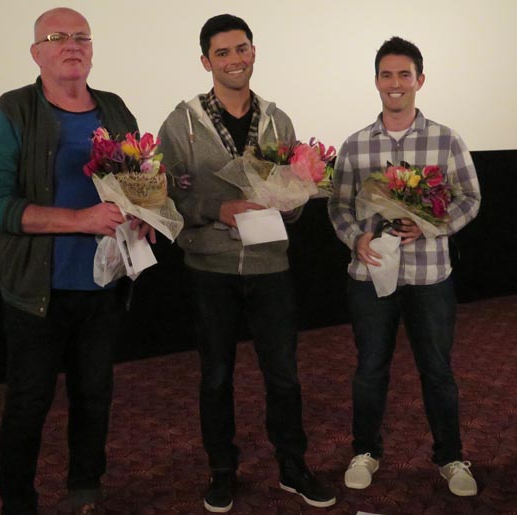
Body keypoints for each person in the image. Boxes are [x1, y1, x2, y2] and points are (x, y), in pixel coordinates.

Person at [0, 8, 149, 515]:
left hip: (105, 287)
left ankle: (85, 492)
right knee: (29, 404)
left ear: (91, 49)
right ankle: (18, 504)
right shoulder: (12, 110)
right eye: (57, 37)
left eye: (81, 37)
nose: (71, 45)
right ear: (37, 53)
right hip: (36, 293)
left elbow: (137, 187)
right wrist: (81, 219)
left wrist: (142, 217)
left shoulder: (115, 110)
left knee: (95, 396)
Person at [158, 14, 336, 513]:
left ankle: (292, 466)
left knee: (283, 374)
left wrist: (290, 201)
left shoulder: (279, 121)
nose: (235, 60)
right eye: (223, 53)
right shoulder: (180, 123)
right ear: (205, 62)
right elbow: (164, 198)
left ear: (254, 52)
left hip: (270, 267)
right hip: (209, 269)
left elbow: (298, 199)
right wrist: (217, 210)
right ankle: (222, 470)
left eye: (242, 49)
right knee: (216, 376)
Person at [328, 36, 481, 497]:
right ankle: (366, 451)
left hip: (430, 275)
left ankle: (451, 457)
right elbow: (338, 207)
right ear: (376, 81)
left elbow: (470, 199)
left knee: (437, 370)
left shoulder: (446, 139)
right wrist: (358, 237)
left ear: (420, 80)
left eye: (404, 75)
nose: (395, 84)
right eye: (387, 75)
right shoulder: (355, 146)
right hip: (370, 276)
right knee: (370, 369)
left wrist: (431, 226)